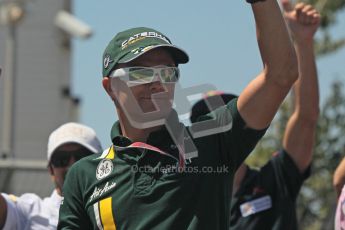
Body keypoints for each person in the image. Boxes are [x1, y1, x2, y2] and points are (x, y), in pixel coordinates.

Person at [58, 0, 299, 229]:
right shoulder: (84, 175)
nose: (157, 84)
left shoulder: (212, 141)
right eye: (141, 74)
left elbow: (281, 75)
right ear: (109, 87)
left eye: (167, 73)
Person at [191, 1, 320, 229]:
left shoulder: (275, 180)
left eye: (228, 119)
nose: (220, 128)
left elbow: (306, 118)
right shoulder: (187, 202)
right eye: (209, 122)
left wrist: (303, 41)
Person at [0, 122, 103, 230]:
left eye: (82, 157)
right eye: (61, 159)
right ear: (51, 170)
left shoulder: (118, 209)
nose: (72, 166)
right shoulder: (29, 213)